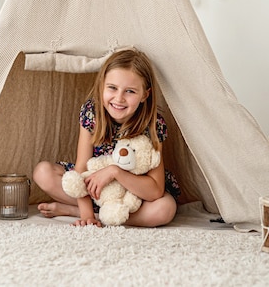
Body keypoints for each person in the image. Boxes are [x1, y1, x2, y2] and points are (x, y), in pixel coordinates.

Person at [33, 48, 180, 227]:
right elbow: (81, 168)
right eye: (112, 88)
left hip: (131, 195)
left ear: (145, 95)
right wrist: (86, 216)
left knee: (165, 209)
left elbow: (155, 190)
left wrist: (114, 172)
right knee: (43, 172)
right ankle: (92, 212)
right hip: (95, 187)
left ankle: (75, 211)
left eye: (130, 91)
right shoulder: (92, 112)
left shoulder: (153, 125)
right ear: (102, 85)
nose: (119, 99)